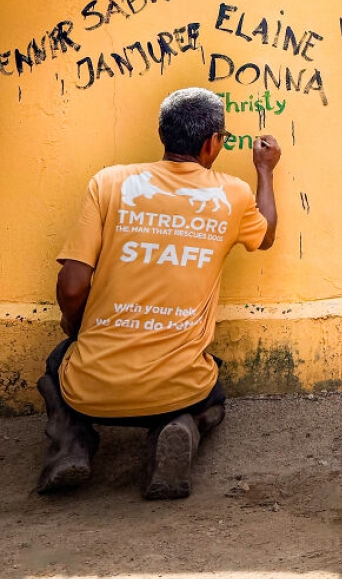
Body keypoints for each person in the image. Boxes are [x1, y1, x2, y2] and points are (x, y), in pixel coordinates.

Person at [36, 86, 281, 501]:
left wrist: (76, 327)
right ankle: (179, 429)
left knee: (57, 365)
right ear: (211, 143)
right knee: (211, 391)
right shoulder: (232, 193)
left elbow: (72, 285)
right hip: (177, 388)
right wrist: (265, 171)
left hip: (91, 389)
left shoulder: (109, 183)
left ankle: (72, 446)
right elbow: (267, 235)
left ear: (163, 133)